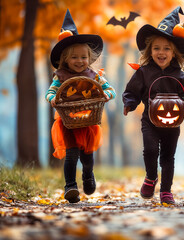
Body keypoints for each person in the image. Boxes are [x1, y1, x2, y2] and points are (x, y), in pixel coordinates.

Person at [122, 7, 184, 204]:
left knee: (168, 157)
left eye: (166, 48)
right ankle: (151, 177)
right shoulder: (144, 72)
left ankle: (166, 191)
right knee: (151, 150)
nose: (161, 52)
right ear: (150, 51)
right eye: (156, 48)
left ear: (174, 53)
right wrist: (129, 103)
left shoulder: (180, 75)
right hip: (150, 120)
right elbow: (132, 91)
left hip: (173, 122)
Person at [46, 10, 116, 203]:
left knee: (87, 157)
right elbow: (51, 92)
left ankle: (87, 175)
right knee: (71, 154)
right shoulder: (60, 76)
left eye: (83, 57)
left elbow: (110, 89)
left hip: (88, 121)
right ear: (65, 59)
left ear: (89, 58)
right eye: (74, 57)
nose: (79, 61)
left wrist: (106, 95)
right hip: (68, 122)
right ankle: (70, 186)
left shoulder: (94, 75)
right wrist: (52, 98)